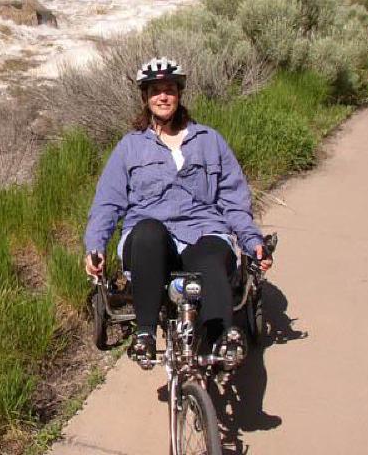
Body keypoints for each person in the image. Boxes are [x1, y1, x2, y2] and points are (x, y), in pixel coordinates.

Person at [83, 57, 272, 364]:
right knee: (147, 232)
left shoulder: (209, 141)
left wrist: (253, 241)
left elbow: (233, 199)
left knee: (212, 253)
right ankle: (144, 334)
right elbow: (107, 202)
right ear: (145, 97)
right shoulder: (130, 147)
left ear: (179, 93)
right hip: (152, 242)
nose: (163, 96)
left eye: (169, 89)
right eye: (155, 90)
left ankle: (222, 337)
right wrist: (95, 246)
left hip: (202, 230)